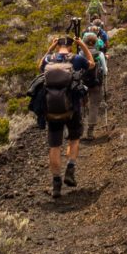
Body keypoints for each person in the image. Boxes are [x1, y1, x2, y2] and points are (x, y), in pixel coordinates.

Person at [28, 33, 95, 199]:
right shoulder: (76, 59)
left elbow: (39, 67)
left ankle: (56, 184)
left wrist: (50, 47)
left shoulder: (49, 59)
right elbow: (92, 64)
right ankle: (70, 168)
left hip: (52, 110)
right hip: (72, 109)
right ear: (71, 46)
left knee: (54, 146)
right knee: (74, 139)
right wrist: (84, 45)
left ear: (58, 45)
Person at [81, 29, 108, 139]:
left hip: (83, 83)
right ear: (96, 42)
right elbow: (105, 70)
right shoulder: (100, 54)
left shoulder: (81, 54)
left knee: (82, 105)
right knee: (94, 105)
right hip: (96, 83)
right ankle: (90, 131)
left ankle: (80, 129)